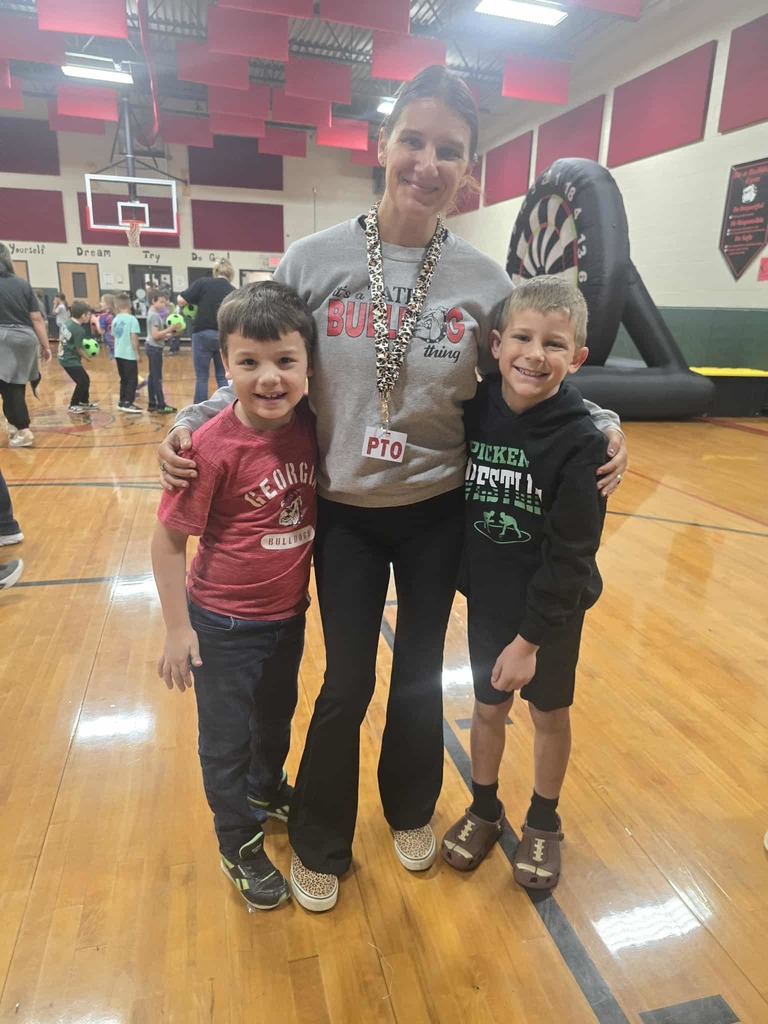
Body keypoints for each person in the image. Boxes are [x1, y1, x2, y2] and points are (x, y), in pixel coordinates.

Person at [156, 66, 628, 914]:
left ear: (469, 168)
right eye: (414, 140)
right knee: (346, 682)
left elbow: (533, 369)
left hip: (436, 510)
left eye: (450, 150)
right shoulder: (313, 259)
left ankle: (411, 808)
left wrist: (606, 422)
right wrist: (189, 420)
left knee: (416, 672)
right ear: (384, 144)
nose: (428, 162)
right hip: (343, 516)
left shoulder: (486, 280)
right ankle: (321, 838)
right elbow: (255, 361)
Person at [152, 281, 318, 911]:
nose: (269, 378)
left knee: (275, 717)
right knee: (223, 739)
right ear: (225, 365)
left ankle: (266, 787)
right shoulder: (210, 447)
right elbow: (167, 542)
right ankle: (237, 842)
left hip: (288, 617)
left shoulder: (308, 423)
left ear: (307, 365)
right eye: (249, 362)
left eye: (284, 361)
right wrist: (176, 628)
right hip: (221, 625)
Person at [440, 277, 607, 891]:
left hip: (551, 612)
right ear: (495, 342)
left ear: (578, 357)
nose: (535, 355)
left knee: (548, 714)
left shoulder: (583, 440)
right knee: (487, 707)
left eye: (555, 344)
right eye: (522, 337)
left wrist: (530, 641)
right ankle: (485, 807)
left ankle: (543, 819)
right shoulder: (475, 408)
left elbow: (572, 555)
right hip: (489, 597)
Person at [0, 243, 52, 448]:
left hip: (3, 338)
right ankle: (14, 424)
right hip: (26, 339)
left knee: (10, 388)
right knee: (13, 386)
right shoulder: (23, 284)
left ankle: (23, 429)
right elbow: (36, 319)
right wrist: (46, 346)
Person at [177, 261, 234, 402]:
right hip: (223, 336)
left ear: (215, 271)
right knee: (223, 375)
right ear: (231, 274)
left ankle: (198, 412)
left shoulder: (203, 283)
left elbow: (181, 300)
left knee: (202, 376)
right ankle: (225, 408)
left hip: (202, 333)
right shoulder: (233, 291)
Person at [58, 300, 99, 414]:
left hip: (64, 357)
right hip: (69, 360)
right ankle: (73, 404)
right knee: (83, 381)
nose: (90, 316)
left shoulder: (68, 322)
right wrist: (88, 358)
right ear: (83, 316)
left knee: (84, 379)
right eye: (89, 314)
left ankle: (84, 402)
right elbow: (78, 349)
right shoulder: (78, 330)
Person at [144, 290, 178, 415]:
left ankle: (152, 403)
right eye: (161, 302)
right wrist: (170, 329)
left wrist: (166, 335)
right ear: (153, 301)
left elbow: (156, 334)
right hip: (154, 348)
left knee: (152, 376)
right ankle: (161, 405)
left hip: (151, 347)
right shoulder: (155, 315)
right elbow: (155, 335)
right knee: (157, 378)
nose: (164, 304)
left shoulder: (151, 313)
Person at [112, 293, 143, 414]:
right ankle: (128, 402)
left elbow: (114, 336)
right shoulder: (132, 319)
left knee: (124, 379)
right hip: (128, 354)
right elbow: (134, 337)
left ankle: (122, 400)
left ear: (116, 305)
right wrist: (137, 353)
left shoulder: (115, 319)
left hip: (118, 353)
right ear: (130, 304)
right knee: (132, 379)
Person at [97, 294, 116, 360]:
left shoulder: (104, 316)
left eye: (102, 302)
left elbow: (101, 331)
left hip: (111, 343)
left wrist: (96, 321)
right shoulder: (115, 315)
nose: (100, 303)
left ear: (108, 305)